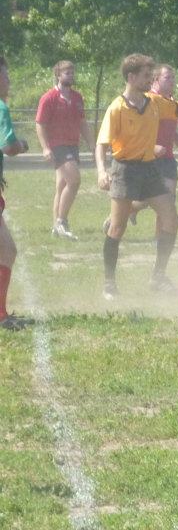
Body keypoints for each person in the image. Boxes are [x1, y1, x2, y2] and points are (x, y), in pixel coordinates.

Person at [95, 54, 178, 300]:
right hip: (124, 170)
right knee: (117, 227)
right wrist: (102, 171)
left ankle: (158, 277)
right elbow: (102, 145)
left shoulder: (154, 102)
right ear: (131, 77)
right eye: (146, 75)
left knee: (171, 220)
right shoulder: (117, 108)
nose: (150, 79)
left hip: (150, 169)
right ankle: (109, 283)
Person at [103, 64, 178, 235]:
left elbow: (170, 130)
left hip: (167, 157)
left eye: (173, 77)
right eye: (167, 77)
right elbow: (138, 132)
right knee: (150, 200)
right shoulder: (148, 101)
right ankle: (123, 213)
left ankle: (159, 240)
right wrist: (151, 147)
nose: (172, 81)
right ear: (155, 81)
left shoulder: (170, 101)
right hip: (148, 158)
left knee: (168, 202)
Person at [35, 60, 94, 240]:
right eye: (66, 72)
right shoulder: (49, 97)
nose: (70, 75)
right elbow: (40, 124)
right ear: (58, 75)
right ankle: (62, 221)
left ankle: (56, 228)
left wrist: (92, 143)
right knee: (74, 181)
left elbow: (82, 122)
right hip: (58, 146)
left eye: (72, 72)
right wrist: (45, 148)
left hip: (72, 145)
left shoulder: (77, 97)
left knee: (61, 187)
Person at [0, 57, 30, 330]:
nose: (9, 81)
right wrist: (21, 143)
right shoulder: (0, 107)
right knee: (7, 250)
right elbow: (8, 146)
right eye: (6, 76)